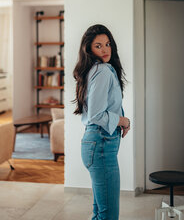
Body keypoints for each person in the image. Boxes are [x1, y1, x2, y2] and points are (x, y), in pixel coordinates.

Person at [73, 24, 130, 220]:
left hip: (96, 143)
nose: (105, 50)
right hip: (101, 144)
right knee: (108, 215)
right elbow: (97, 115)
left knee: (101, 212)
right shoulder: (103, 71)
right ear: (88, 49)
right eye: (98, 46)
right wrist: (123, 120)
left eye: (107, 44)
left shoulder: (94, 70)